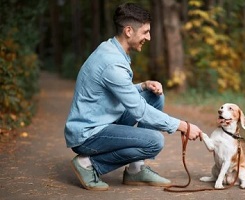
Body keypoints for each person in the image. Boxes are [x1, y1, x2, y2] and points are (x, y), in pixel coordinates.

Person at [64, 2, 203, 191]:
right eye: (145, 32)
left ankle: (136, 170)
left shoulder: (111, 49)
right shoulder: (112, 63)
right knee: (155, 141)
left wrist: (143, 86)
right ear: (129, 31)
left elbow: (115, 93)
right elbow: (139, 111)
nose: (149, 37)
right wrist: (183, 126)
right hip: (88, 134)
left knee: (153, 97)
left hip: (103, 121)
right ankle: (88, 164)